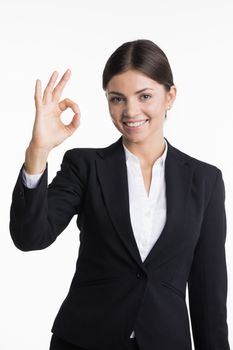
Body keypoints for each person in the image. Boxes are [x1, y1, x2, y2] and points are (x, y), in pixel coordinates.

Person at [9, 39, 230, 350]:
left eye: (145, 96)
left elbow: (209, 293)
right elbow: (30, 237)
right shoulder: (84, 166)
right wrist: (38, 151)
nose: (130, 111)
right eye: (117, 99)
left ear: (170, 96)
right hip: (84, 341)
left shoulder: (205, 180)